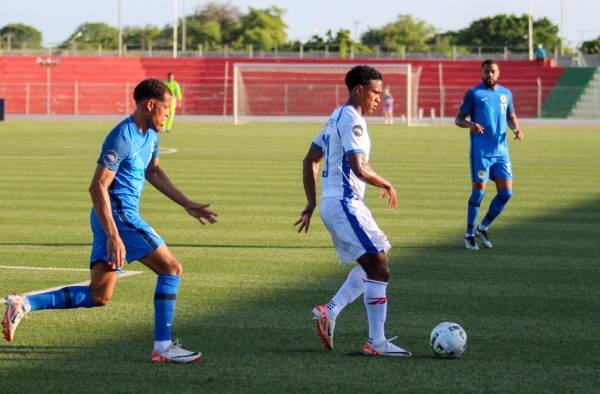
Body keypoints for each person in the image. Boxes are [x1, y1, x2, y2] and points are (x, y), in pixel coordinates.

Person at [2, 78, 217, 364]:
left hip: (116, 218)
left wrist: (187, 203)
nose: (168, 116)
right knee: (171, 268)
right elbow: (97, 186)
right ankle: (163, 347)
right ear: (150, 105)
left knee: (99, 295)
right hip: (119, 216)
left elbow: (153, 172)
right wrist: (114, 234)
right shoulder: (122, 136)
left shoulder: (151, 135)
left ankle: (25, 302)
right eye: (166, 109)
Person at [294, 65, 410, 357]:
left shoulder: (336, 116)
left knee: (375, 262)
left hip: (340, 204)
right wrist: (386, 182)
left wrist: (311, 202)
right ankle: (376, 342)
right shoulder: (352, 121)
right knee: (380, 268)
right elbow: (358, 167)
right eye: (376, 92)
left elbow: (310, 160)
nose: (379, 99)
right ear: (359, 89)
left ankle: (329, 311)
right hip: (345, 204)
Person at [455, 59, 524, 251]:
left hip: (501, 152)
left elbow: (511, 116)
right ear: (482, 73)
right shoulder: (474, 94)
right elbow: (459, 119)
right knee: (479, 193)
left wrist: (516, 129)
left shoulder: (506, 94)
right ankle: (469, 235)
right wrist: (471, 125)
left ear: (499, 73)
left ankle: (483, 227)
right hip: (481, 152)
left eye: (493, 71)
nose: (490, 75)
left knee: (506, 193)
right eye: (486, 71)